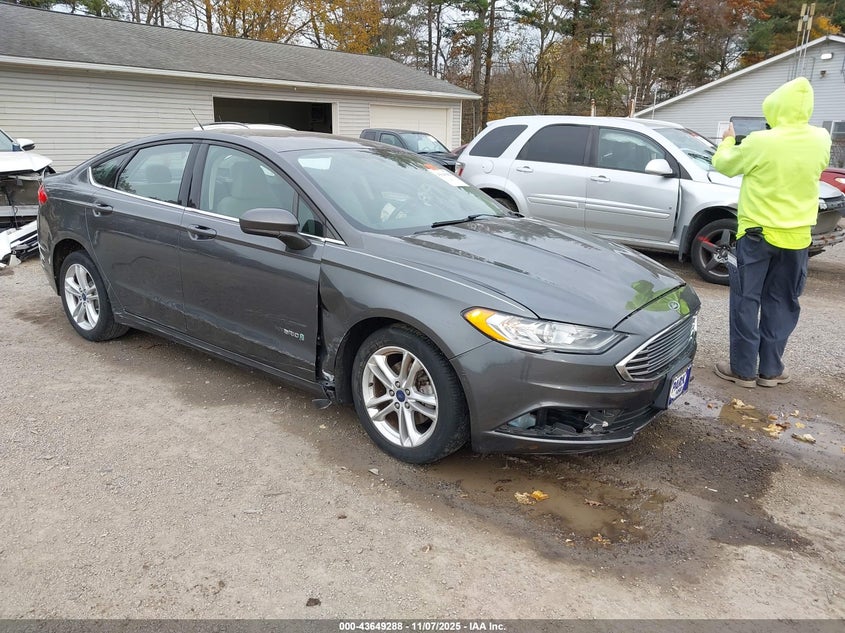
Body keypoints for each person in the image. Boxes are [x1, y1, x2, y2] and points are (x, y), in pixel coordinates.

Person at [711, 77, 831, 388]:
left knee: (746, 299)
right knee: (782, 301)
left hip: (757, 235)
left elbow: (724, 165)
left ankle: (743, 370)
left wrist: (728, 140)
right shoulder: (822, 138)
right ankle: (771, 370)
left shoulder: (761, 141)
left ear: (775, 108)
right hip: (797, 238)